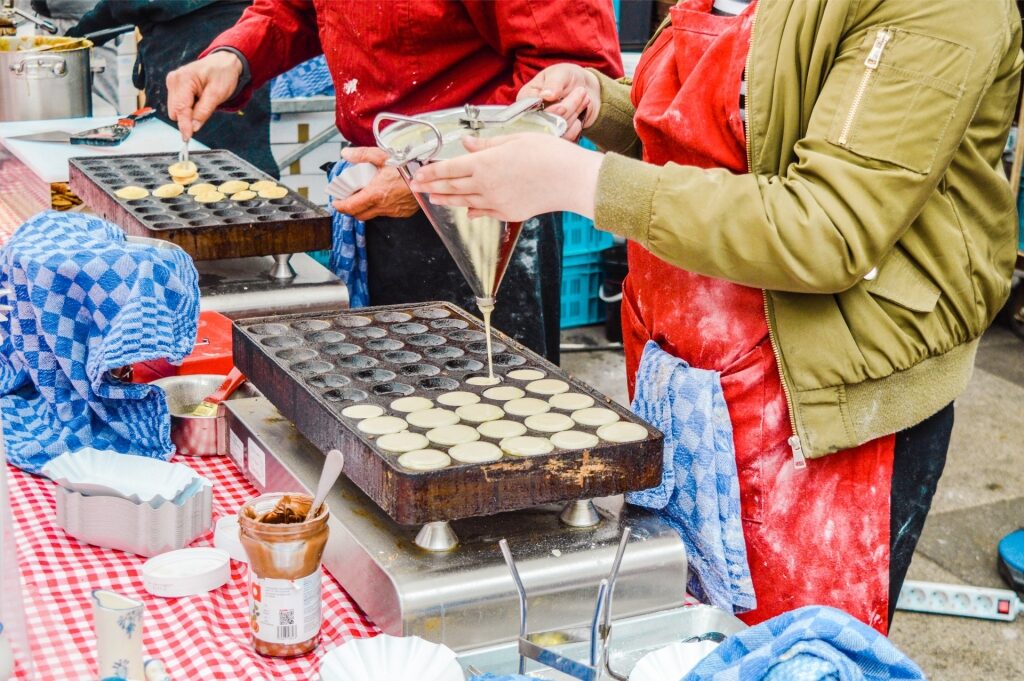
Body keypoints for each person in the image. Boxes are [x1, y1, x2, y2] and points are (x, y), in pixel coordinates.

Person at [410, 0, 1023, 632]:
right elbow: (722, 128)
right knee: (680, 633)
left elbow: (828, 229)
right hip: (686, 379)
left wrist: (583, 183)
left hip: (822, 403)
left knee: (788, 658)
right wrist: (600, 101)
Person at [163, 1, 622, 363]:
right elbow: (293, 9)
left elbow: (572, 79)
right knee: (389, 395)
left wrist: (427, 172)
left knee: (493, 410)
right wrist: (234, 56)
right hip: (381, 192)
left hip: (485, 211)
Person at [66, 0, 277, 177]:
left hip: (210, 42)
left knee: (223, 165)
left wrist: (77, 35)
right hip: (225, 38)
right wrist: (76, 37)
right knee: (199, 160)